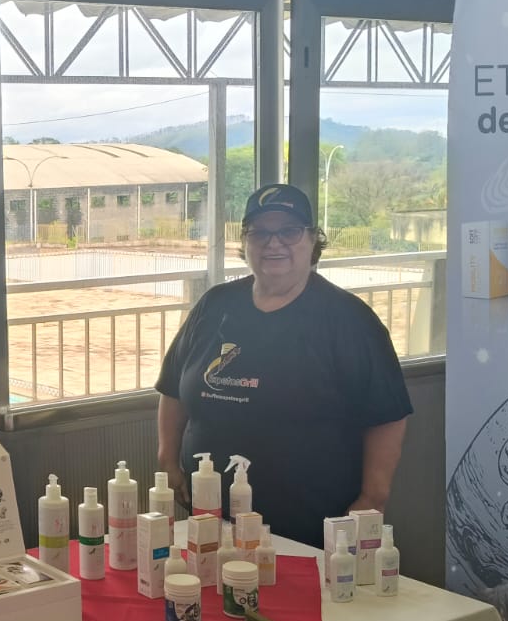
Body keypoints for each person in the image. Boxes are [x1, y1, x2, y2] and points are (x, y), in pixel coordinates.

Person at [154, 183, 411, 546]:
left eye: (289, 231)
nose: (273, 243)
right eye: (259, 232)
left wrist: (373, 498)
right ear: (245, 242)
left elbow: (386, 413)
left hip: (308, 525)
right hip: (211, 517)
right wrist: (167, 459)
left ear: (312, 240)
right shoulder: (215, 305)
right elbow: (173, 387)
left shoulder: (348, 320)